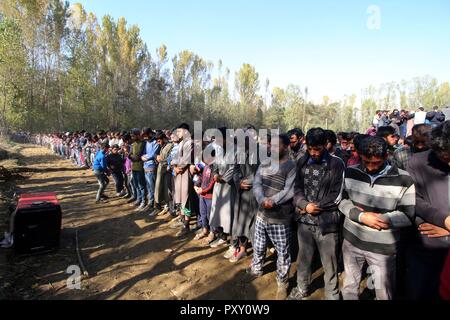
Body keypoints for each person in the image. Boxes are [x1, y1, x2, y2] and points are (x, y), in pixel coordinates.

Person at [338, 136, 416, 300]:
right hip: (352, 240)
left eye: (376, 163)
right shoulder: (351, 172)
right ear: (360, 156)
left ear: (386, 156)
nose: (371, 167)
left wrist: (381, 219)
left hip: (382, 248)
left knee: (383, 291)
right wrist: (361, 216)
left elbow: (408, 215)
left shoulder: (404, 179)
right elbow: (342, 200)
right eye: (367, 162)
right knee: (349, 285)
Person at [289, 128, 345, 300]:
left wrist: (316, 206)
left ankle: (332, 295)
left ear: (326, 145)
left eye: (318, 149)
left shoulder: (337, 163)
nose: (314, 153)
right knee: (303, 259)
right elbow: (295, 188)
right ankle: (302, 288)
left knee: (329, 263)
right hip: (304, 221)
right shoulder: (302, 160)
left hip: (326, 222)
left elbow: (337, 195)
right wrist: (304, 205)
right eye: (310, 149)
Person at [248, 133, 296, 300]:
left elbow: (289, 191)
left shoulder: (291, 167)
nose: (272, 148)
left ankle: (283, 282)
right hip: (262, 213)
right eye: (271, 145)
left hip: (280, 217)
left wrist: (273, 201)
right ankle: (256, 268)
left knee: (283, 252)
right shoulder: (266, 162)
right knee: (259, 245)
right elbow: (257, 183)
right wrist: (262, 199)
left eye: (277, 146)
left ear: (286, 147)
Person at [405, 121, 450, 300]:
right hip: (427, 245)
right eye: (446, 157)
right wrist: (444, 220)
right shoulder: (417, 163)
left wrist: (447, 231)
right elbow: (413, 200)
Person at [229, 124, 259, 262]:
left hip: (254, 194)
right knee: (240, 222)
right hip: (241, 193)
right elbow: (235, 171)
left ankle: (258, 252)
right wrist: (239, 182)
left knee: (253, 224)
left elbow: (262, 173)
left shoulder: (260, 152)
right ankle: (242, 249)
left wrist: (249, 182)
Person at [153, 131, 174, 216]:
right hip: (161, 171)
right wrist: (156, 157)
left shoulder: (171, 146)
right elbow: (156, 155)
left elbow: (170, 159)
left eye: (159, 141)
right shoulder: (162, 146)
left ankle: (171, 211)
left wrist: (162, 160)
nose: (158, 143)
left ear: (164, 139)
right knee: (161, 190)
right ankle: (166, 208)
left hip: (168, 172)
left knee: (168, 191)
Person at [141, 128, 161, 214]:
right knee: (148, 187)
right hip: (145, 166)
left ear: (150, 134)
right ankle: (150, 203)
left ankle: (156, 206)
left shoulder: (155, 142)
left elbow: (153, 154)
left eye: (146, 136)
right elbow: (144, 153)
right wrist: (143, 157)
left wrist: (145, 157)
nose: (145, 138)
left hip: (152, 167)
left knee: (153, 187)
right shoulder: (146, 143)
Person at [128, 128, 147, 211]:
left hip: (140, 167)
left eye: (133, 136)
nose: (132, 137)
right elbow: (130, 155)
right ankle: (138, 199)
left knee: (141, 185)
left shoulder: (143, 143)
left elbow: (138, 156)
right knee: (136, 185)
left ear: (138, 135)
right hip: (134, 167)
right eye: (131, 136)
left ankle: (143, 201)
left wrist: (133, 157)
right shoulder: (133, 144)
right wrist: (133, 157)